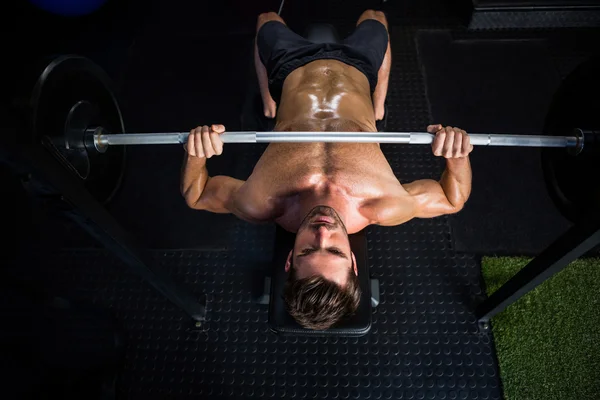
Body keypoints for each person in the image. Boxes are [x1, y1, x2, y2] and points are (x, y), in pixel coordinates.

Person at [180, 10, 473, 330]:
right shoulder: (384, 205)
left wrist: (197, 151)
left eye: (309, 248)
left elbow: (197, 194)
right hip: (357, 69)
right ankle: (377, 104)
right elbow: (450, 198)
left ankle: (269, 102)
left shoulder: (261, 202)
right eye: (333, 249)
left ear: (290, 259)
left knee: (265, 19)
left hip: (292, 66)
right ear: (353, 263)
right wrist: (455, 153)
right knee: (375, 17)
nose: (322, 231)